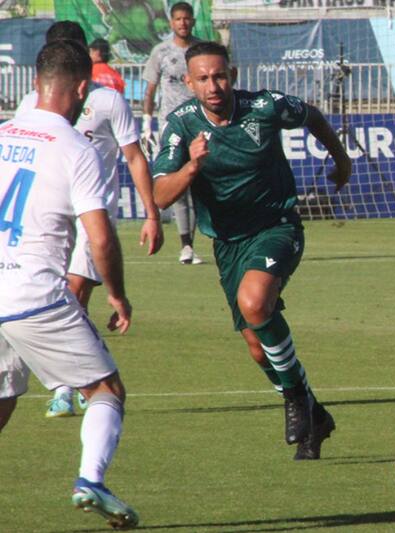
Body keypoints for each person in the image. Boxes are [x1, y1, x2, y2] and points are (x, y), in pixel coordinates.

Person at [152, 41, 351, 459]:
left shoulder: (264, 107)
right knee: (258, 346)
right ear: (189, 82)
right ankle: (315, 415)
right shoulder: (181, 127)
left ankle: (296, 398)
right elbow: (160, 194)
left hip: (277, 226)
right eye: (203, 78)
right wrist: (191, 167)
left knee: (254, 301)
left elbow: (311, 115)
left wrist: (341, 157)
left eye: (220, 75)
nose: (213, 85)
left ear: (233, 76)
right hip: (227, 244)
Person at [0, 39, 138, 529]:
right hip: (34, 294)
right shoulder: (77, 148)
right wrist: (117, 294)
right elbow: (100, 237)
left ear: (36, 84)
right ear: (82, 88)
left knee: (2, 397)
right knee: (106, 389)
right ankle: (91, 481)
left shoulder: (2, 133)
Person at [16, 21, 164, 418]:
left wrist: (151, 213)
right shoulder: (31, 104)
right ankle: (77, 378)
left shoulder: (109, 101)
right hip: (46, 220)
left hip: (91, 218)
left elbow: (134, 156)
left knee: (75, 290)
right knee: (53, 295)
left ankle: (67, 385)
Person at [142, 1, 203, 265]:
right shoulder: (161, 52)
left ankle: (194, 240)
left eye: (187, 19)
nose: (183, 23)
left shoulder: (201, 50)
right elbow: (150, 90)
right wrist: (147, 124)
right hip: (171, 125)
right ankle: (185, 245)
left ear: (192, 21)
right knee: (177, 182)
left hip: (199, 123)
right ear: (171, 22)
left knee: (199, 182)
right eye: (178, 19)